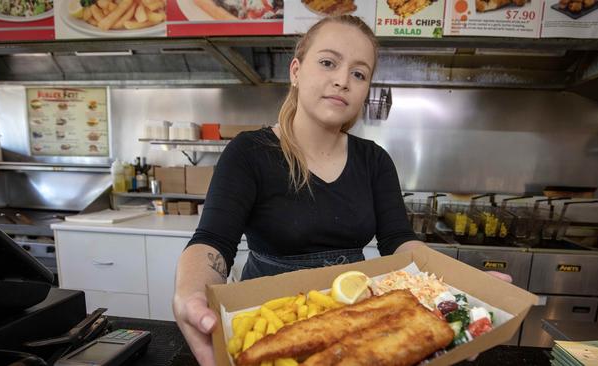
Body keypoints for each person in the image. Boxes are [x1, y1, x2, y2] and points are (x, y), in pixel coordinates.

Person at [173, 15, 511, 365]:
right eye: (328, 63)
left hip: (355, 324)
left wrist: (459, 287)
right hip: (273, 326)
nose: (342, 81)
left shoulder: (374, 161)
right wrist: (191, 293)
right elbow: (213, 240)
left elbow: (399, 242)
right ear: (296, 71)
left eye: (359, 73)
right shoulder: (249, 152)